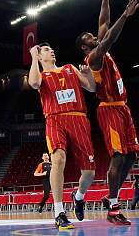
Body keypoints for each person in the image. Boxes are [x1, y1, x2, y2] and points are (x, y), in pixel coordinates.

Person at [76, 0, 139, 225]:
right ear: (85, 47)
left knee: (132, 156)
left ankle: (109, 197)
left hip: (123, 108)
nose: (94, 36)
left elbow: (103, 23)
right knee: (117, 157)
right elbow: (108, 38)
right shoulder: (94, 57)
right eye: (89, 38)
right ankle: (113, 207)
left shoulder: (98, 46)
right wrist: (125, 14)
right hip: (109, 110)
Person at [28, 44, 96, 230]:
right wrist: (34, 58)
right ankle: (59, 213)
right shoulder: (41, 75)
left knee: (89, 173)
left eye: (52, 49)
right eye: (46, 50)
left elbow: (91, 87)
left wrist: (89, 73)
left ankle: (79, 196)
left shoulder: (70, 69)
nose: (52, 51)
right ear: (40, 57)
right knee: (57, 159)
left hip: (79, 119)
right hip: (55, 120)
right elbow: (33, 83)